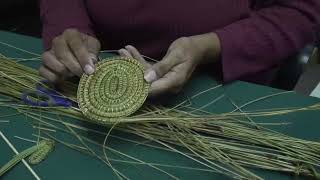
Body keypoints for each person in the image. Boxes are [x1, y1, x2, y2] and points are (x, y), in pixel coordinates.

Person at [39, 0, 320, 96]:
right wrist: (71, 29)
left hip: (216, 88)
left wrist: (210, 46)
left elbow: (300, 12)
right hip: (96, 74)